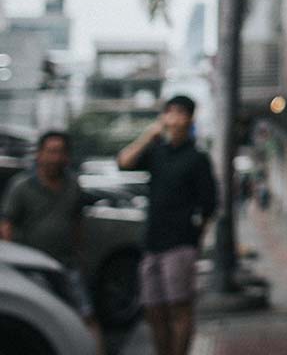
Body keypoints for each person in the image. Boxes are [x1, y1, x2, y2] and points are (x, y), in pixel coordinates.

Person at [118, 95, 216, 355]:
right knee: (153, 310)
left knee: (179, 307)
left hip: (180, 243)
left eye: (180, 112)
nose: (173, 118)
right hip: (152, 242)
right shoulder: (156, 150)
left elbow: (209, 205)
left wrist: (196, 240)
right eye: (169, 112)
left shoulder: (197, 157)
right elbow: (124, 162)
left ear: (190, 118)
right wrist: (149, 136)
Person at [0, 130, 104, 354]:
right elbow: (6, 226)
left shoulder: (72, 184)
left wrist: (80, 254)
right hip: (32, 268)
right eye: (51, 152)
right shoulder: (22, 187)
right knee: (39, 318)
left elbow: (77, 222)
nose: (56, 157)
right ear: (39, 154)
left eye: (60, 152)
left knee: (85, 316)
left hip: (66, 264)